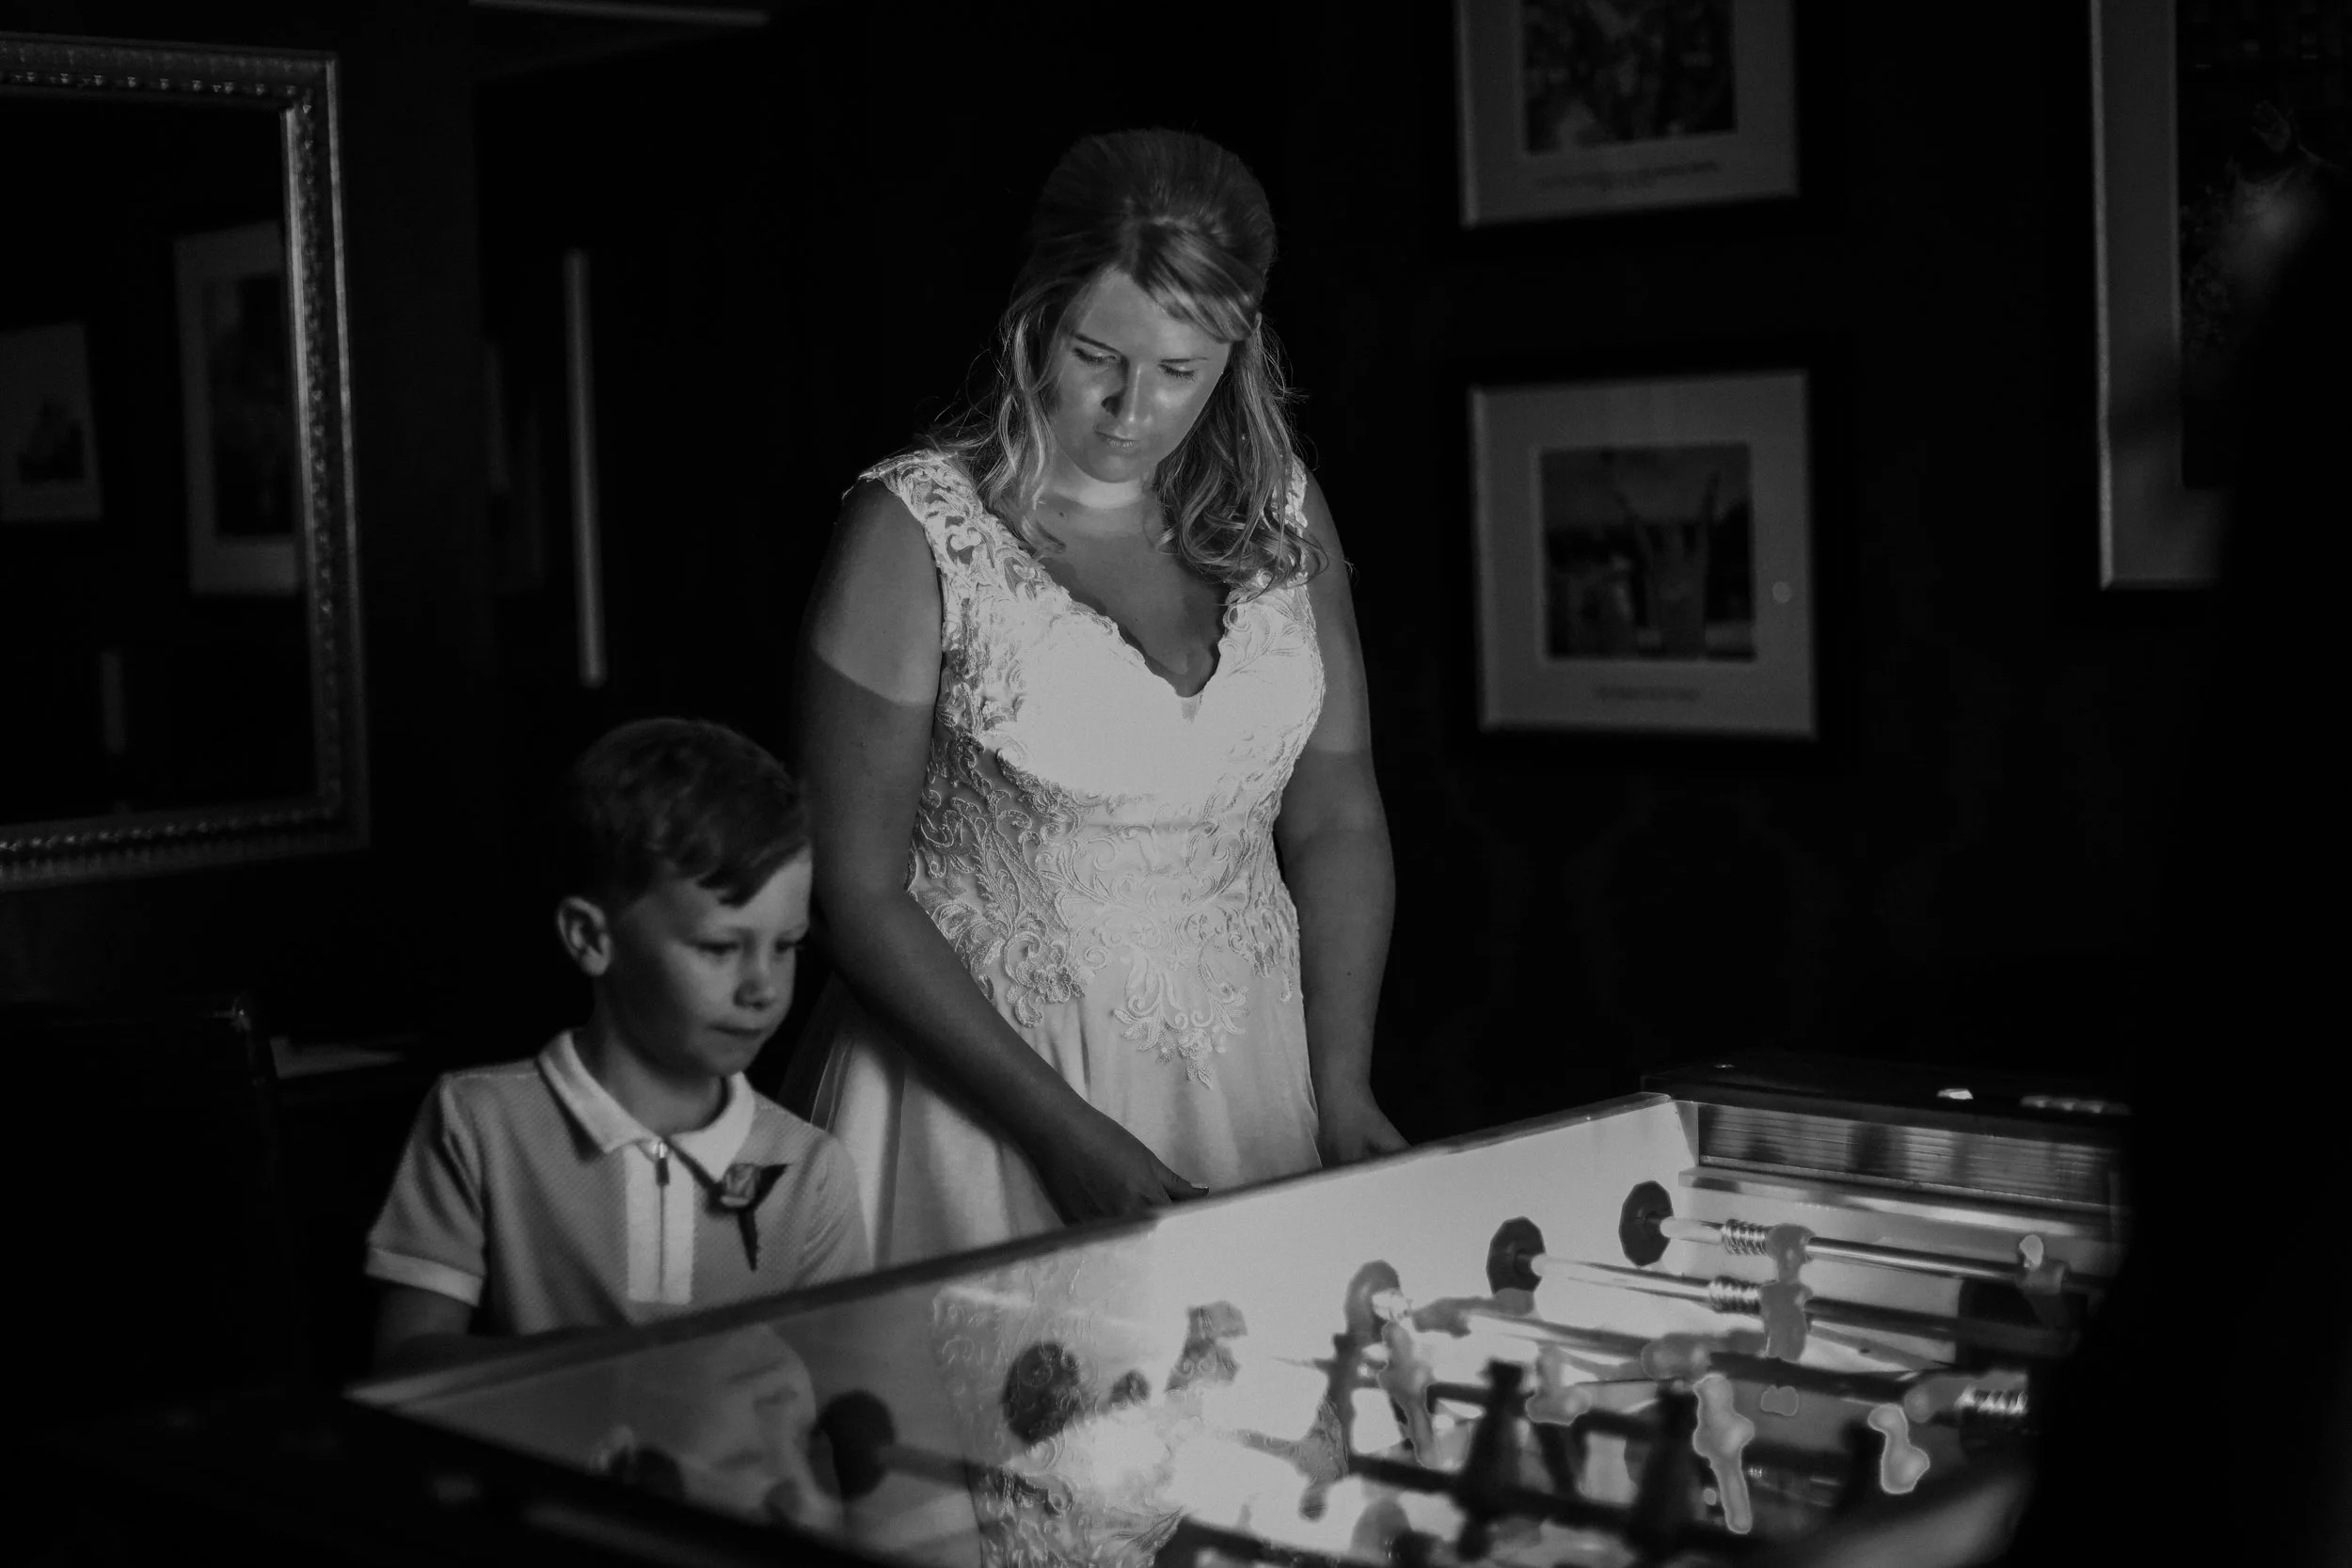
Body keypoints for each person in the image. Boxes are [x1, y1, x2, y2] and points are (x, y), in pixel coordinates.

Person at [786, 127, 1406, 1269]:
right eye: (1095, 355)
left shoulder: (1281, 511)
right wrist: (1061, 1136)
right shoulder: (913, 530)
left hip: (1251, 1081)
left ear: (1237, 345)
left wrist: (1341, 1082)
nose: (1132, 408)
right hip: (984, 1103)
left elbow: (1336, 813)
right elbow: (853, 888)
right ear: (1035, 316)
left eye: (1180, 370)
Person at [366, 719, 870, 1376]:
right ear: (589, 938)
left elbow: (844, 1395)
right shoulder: (477, 1121)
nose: (764, 987)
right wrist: (608, 1372)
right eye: (720, 947)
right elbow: (403, 1363)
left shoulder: (813, 1170)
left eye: (786, 946)